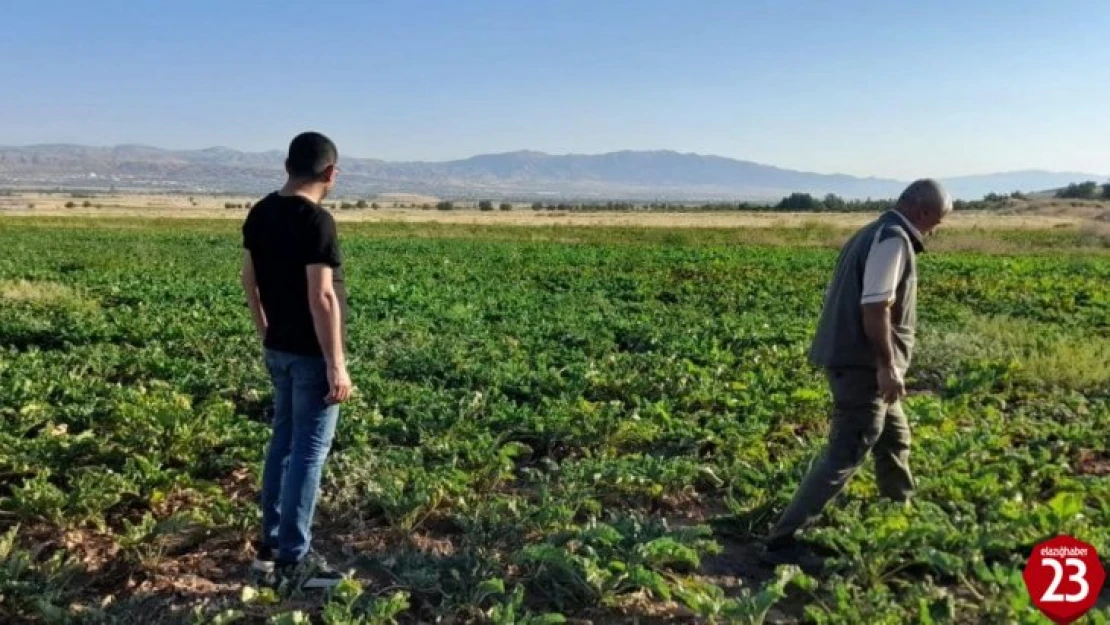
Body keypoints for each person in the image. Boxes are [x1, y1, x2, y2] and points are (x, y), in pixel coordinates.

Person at [762, 179, 953, 560]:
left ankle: (900, 515)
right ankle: (783, 541)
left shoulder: (874, 231)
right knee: (847, 450)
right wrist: (886, 366)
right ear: (922, 211)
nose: (937, 229)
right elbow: (875, 307)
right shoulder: (893, 239)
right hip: (865, 366)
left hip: (866, 364)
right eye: (939, 220)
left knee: (895, 438)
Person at [240, 131, 353, 590]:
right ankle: (294, 560)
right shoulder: (316, 222)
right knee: (308, 452)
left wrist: (266, 332)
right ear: (330, 173)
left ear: (288, 166)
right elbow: (322, 296)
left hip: (279, 350)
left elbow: (249, 281)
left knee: (282, 443)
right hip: (309, 354)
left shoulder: (260, 212)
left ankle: (269, 548)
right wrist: (336, 363)